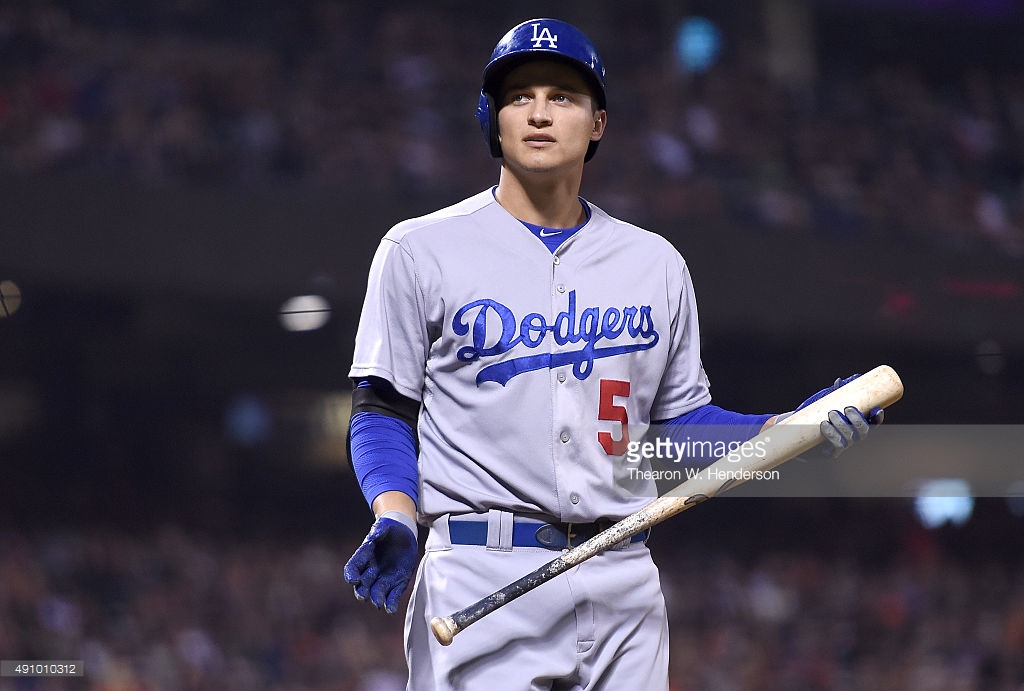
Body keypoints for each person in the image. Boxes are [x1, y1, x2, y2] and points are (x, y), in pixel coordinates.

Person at [343, 18, 882, 690]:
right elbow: (381, 408)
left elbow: (678, 431)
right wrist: (393, 508)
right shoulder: (420, 249)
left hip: (623, 574)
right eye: (519, 96)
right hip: (484, 570)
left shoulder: (653, 263)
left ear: (598, 122)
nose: (540, 111)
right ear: (491, 118)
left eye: (563, 96)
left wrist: (786, 433)